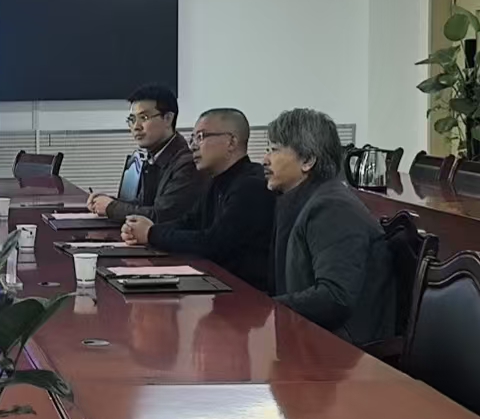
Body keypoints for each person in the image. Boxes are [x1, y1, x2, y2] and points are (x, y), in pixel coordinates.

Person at [263, 108, 395, 345]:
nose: (265, 159)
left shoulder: (332, 208)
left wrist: (266, 307)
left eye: (274, 149)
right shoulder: (303, 199)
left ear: (308, 160)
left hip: (344, 352)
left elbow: (335, 297)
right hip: (309, 337)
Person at [120, 109, 275, 291]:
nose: (193, 146)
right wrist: (145, 229)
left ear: (231, 142)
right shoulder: (216, 180)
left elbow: (213, 243)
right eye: (192, 139)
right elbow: (190, 222)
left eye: (201, 137)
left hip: (248, 295)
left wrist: (151, 234)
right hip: (219, 285)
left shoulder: (251, 185)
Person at [88, 85, 206, 223]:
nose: (136, 127)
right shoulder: (155, 155)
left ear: (168, 119)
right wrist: (108, 202)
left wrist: (112, 207)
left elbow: (161, 216)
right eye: (132, 120)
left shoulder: (187, 164)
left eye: (144, 117)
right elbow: (144, 205)